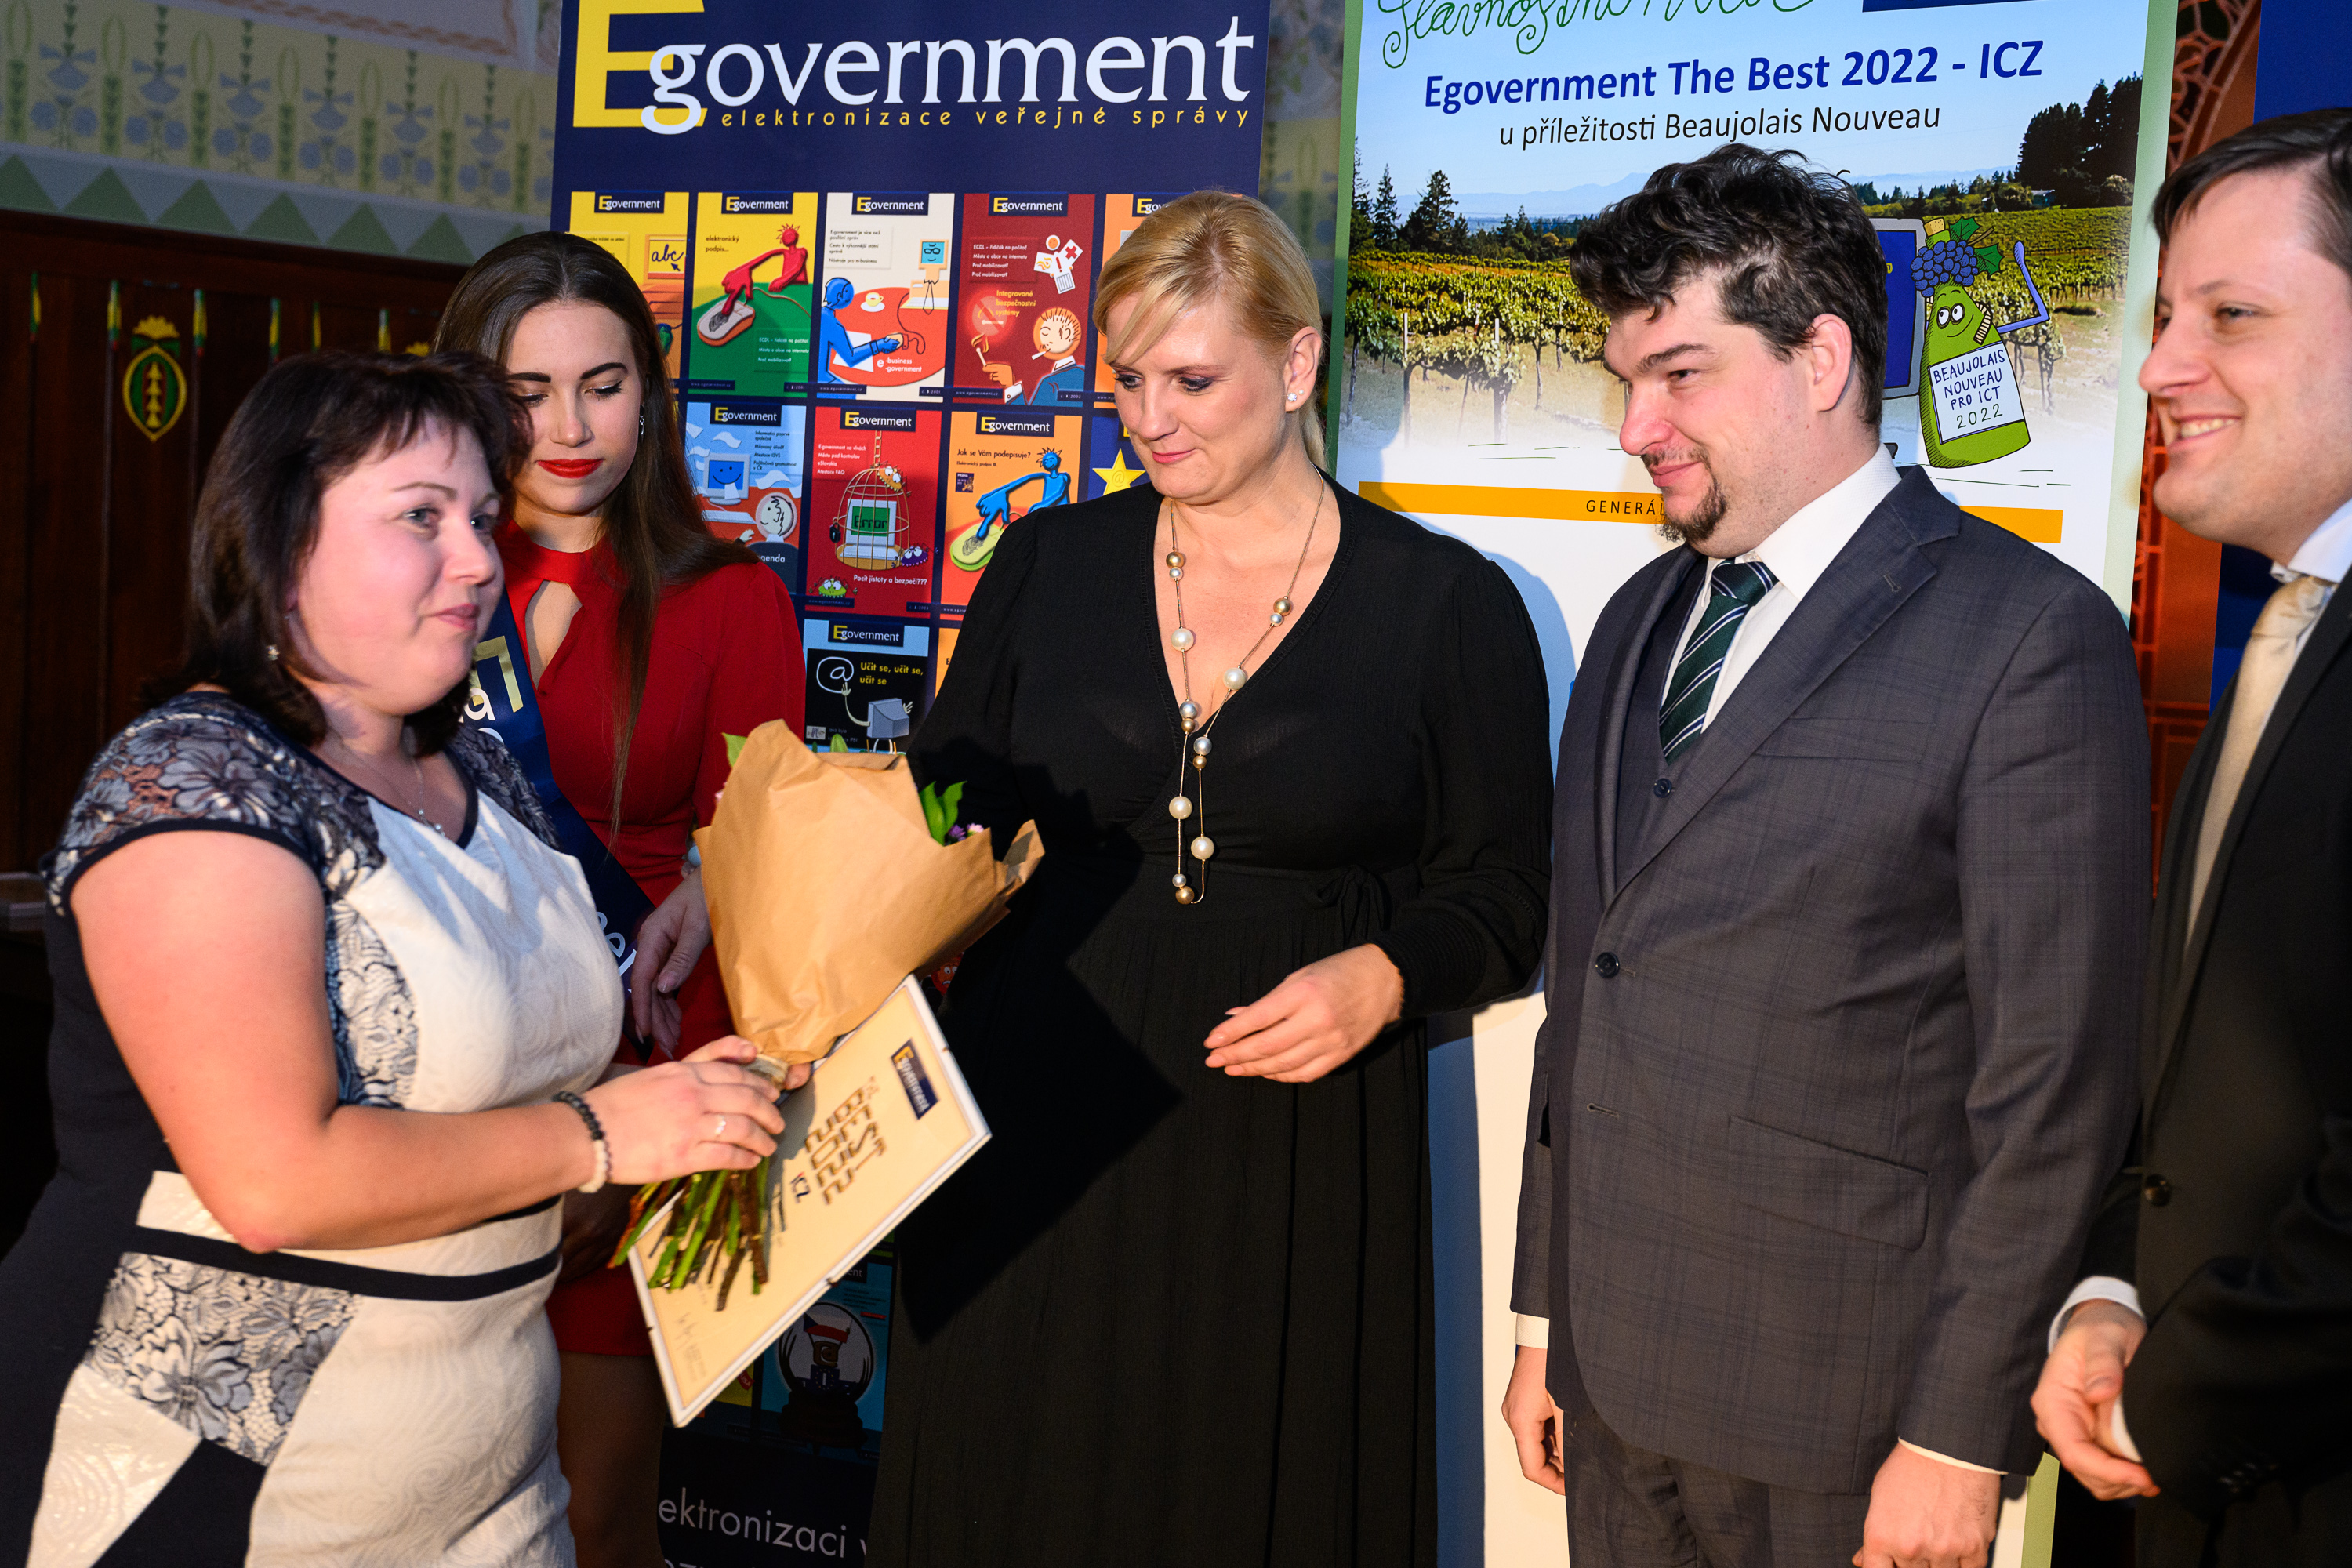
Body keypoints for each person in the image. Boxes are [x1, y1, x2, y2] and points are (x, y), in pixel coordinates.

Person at [0, 350, 793, 1563]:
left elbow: (507, 1076)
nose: (478, 559)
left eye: (480, 517)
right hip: (224, 1482)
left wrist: (701, 1106)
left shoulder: (476, 768)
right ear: (280, 541)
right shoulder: (193, 784)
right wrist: (601, 1134)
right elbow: (275, 1179)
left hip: (492, 1477)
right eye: (422, 518)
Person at [867, 190, 1552, 1568]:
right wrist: (824, 858)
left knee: (1243, 1488)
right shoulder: (1048, 559)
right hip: (1035, 1112)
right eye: (1128, 381)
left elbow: (1506, 894)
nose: (1150, 419)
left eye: (1191, 380)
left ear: (1297, 365)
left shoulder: (1445, 602)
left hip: (1285, 1148)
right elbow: (948, 804)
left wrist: (1387, 976)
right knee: (1016, 1483)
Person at [1501, 144, 2148, 1568]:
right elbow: (1588, 995)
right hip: (1613, 1386)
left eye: (1679, 375)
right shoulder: (1638, 620)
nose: (1636, 427)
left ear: (1823, 358)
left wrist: (1960, 1432)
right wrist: (1547, 1317)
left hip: (1847, 1418)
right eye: (1625, 381)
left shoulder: (2029, 636)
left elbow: (2055, 1081)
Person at [434, 230, 807, 1568]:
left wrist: (712, 877)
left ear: (650, 394)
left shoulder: (731, 600)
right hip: (443, 1091)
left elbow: (762, 863)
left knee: (594, 1513)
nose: (571, 429)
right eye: (528, 393)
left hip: (640, 1077)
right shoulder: (412, 581)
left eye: (604, 385)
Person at [2031, 109, 2352, 1567]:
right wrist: (2112, 1290)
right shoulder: (2295, 623)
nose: (2160, 367)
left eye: (2232, 316)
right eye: (2166, 318)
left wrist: (2189, 1395)